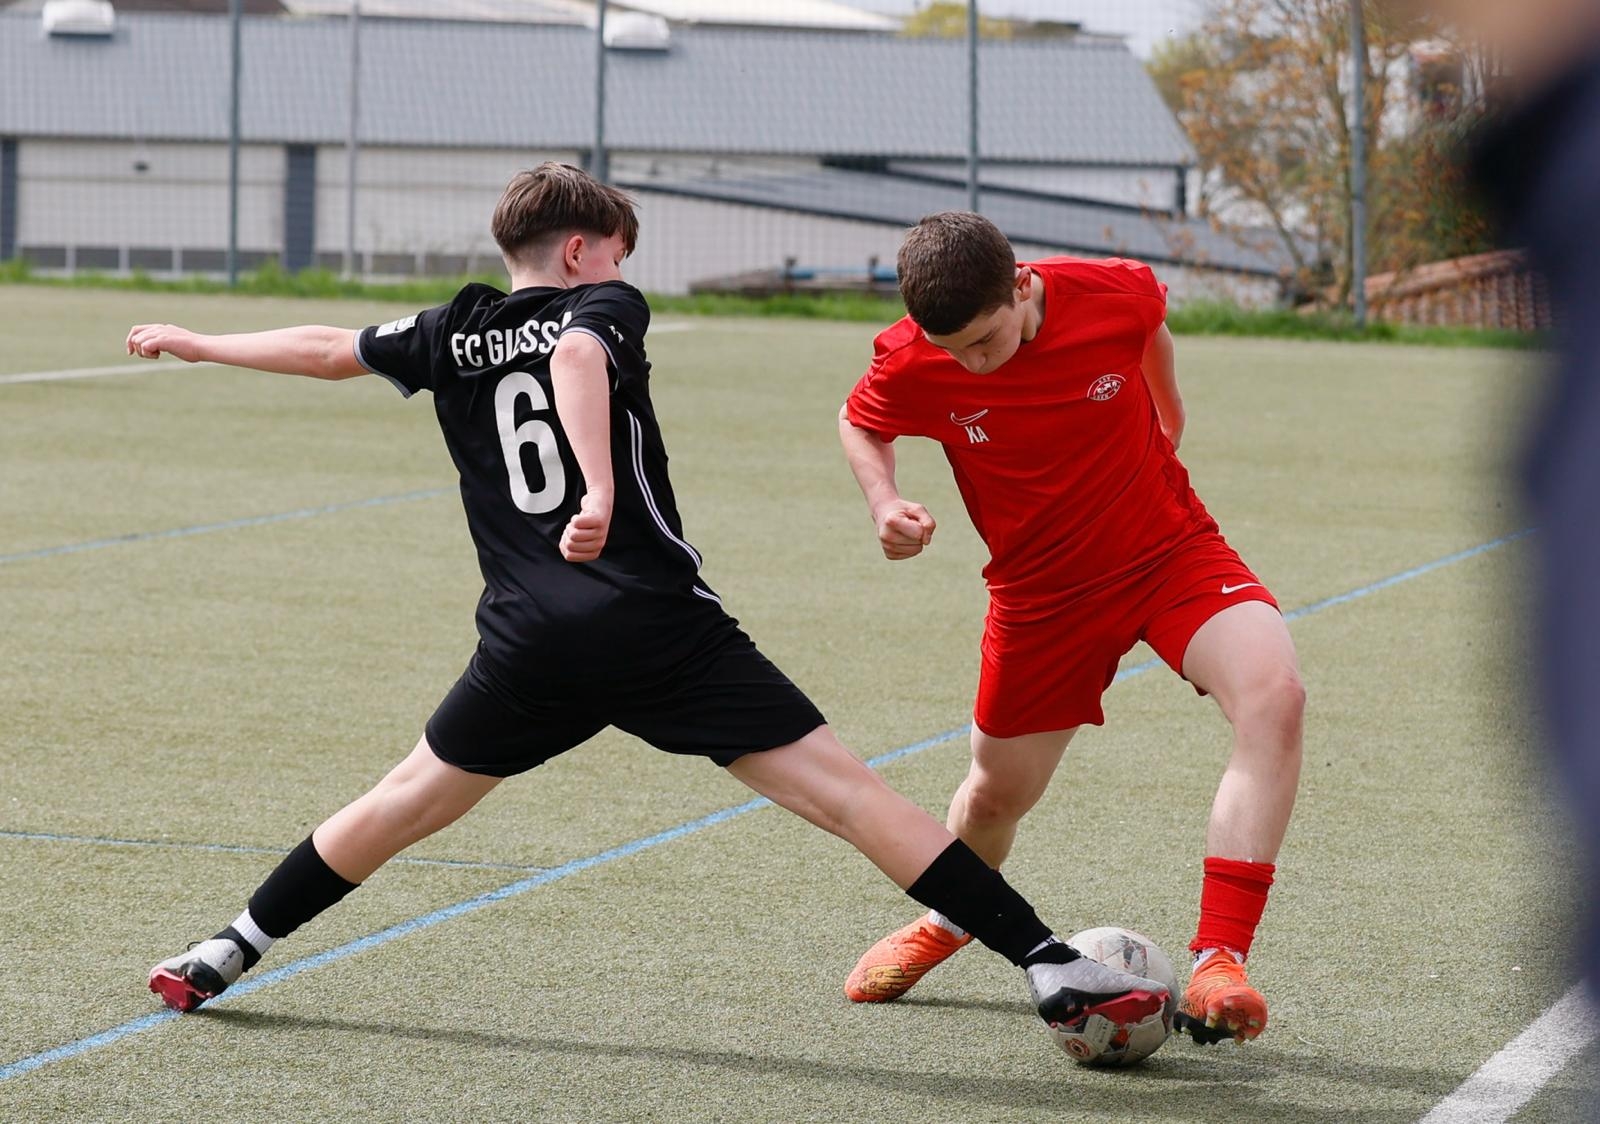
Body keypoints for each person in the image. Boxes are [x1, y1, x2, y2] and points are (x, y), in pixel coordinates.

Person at [124, 163, 1169, 1054]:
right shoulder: (603, 310)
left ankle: (228, 947)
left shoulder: (456, 329)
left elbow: (324, 344)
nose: (625, 273)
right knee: (848, 796)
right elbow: (577, 356)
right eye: (620, 251)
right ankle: (1046, 961)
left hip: (528, 638)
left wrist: (201, 339)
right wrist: (598, 489)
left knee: (401, 798)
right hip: (654, 625)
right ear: (583, 251)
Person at [836, 211, 1306, 1045]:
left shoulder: (1111, 292)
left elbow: (1150, 324)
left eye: (985, 340)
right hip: (1041, 597)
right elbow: (862, 420)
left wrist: (1169, 411)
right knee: (994, 796)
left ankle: (1219, 960)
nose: (971, 362)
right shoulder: (917, 354)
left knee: (1275, 696)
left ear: (1021, 286)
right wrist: (884, 501)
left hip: (1170, 551)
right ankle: (950, 920)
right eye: (954, 351)